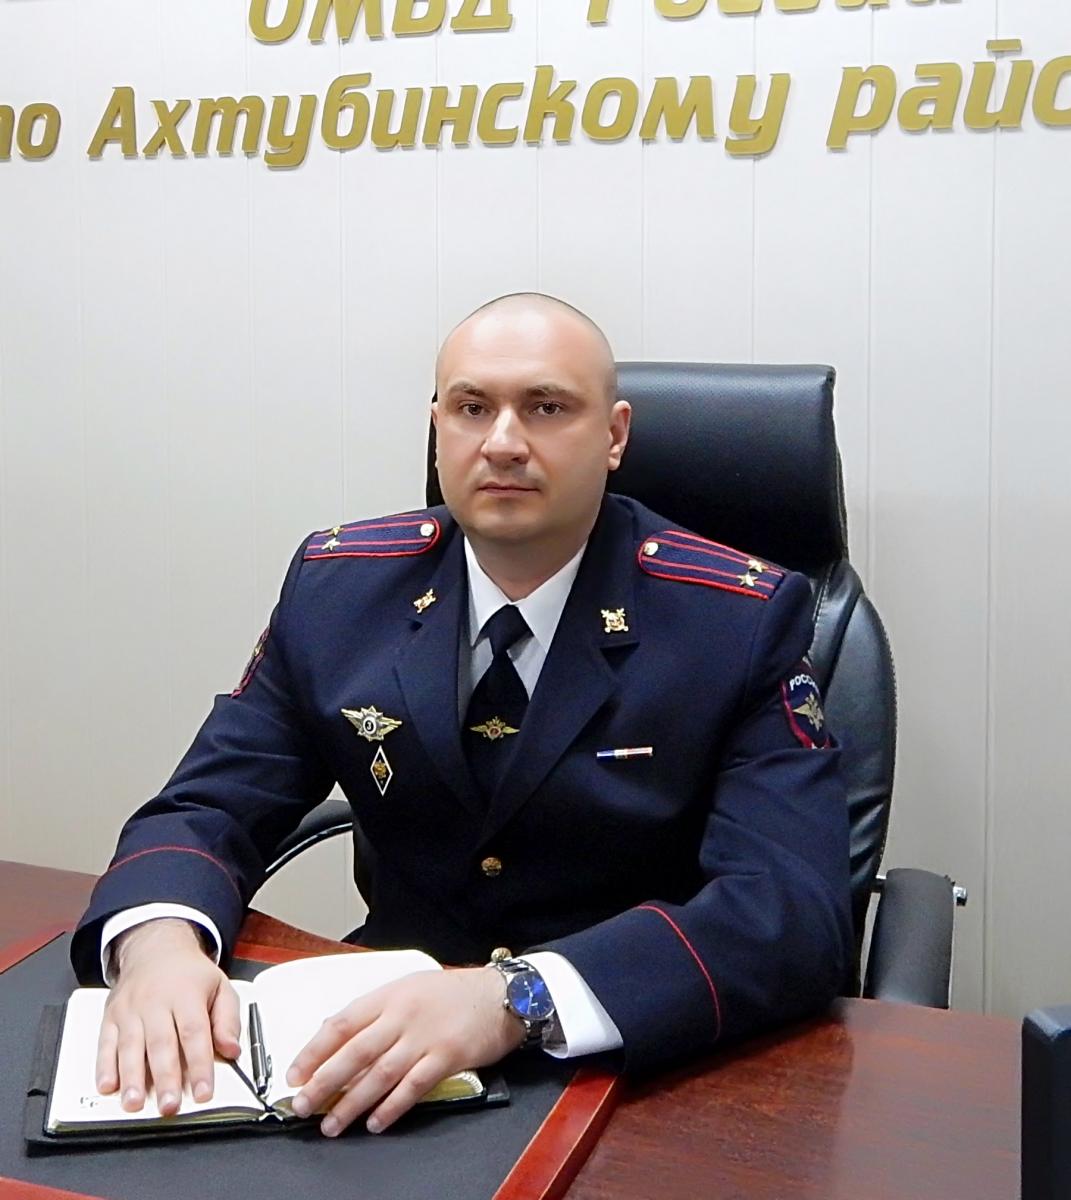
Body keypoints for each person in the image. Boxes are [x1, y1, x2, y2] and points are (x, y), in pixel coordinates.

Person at [72, 293, 852, 1139]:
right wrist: (157, 943)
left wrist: (517, 996)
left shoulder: (734, 620)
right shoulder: (340, 590)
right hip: (382, 1052)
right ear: (437, 426)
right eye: (472, 407)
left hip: (627, 1066)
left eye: (546, 408)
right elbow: (209, 803)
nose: (503, 441)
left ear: (614, 434)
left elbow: (790, 910)